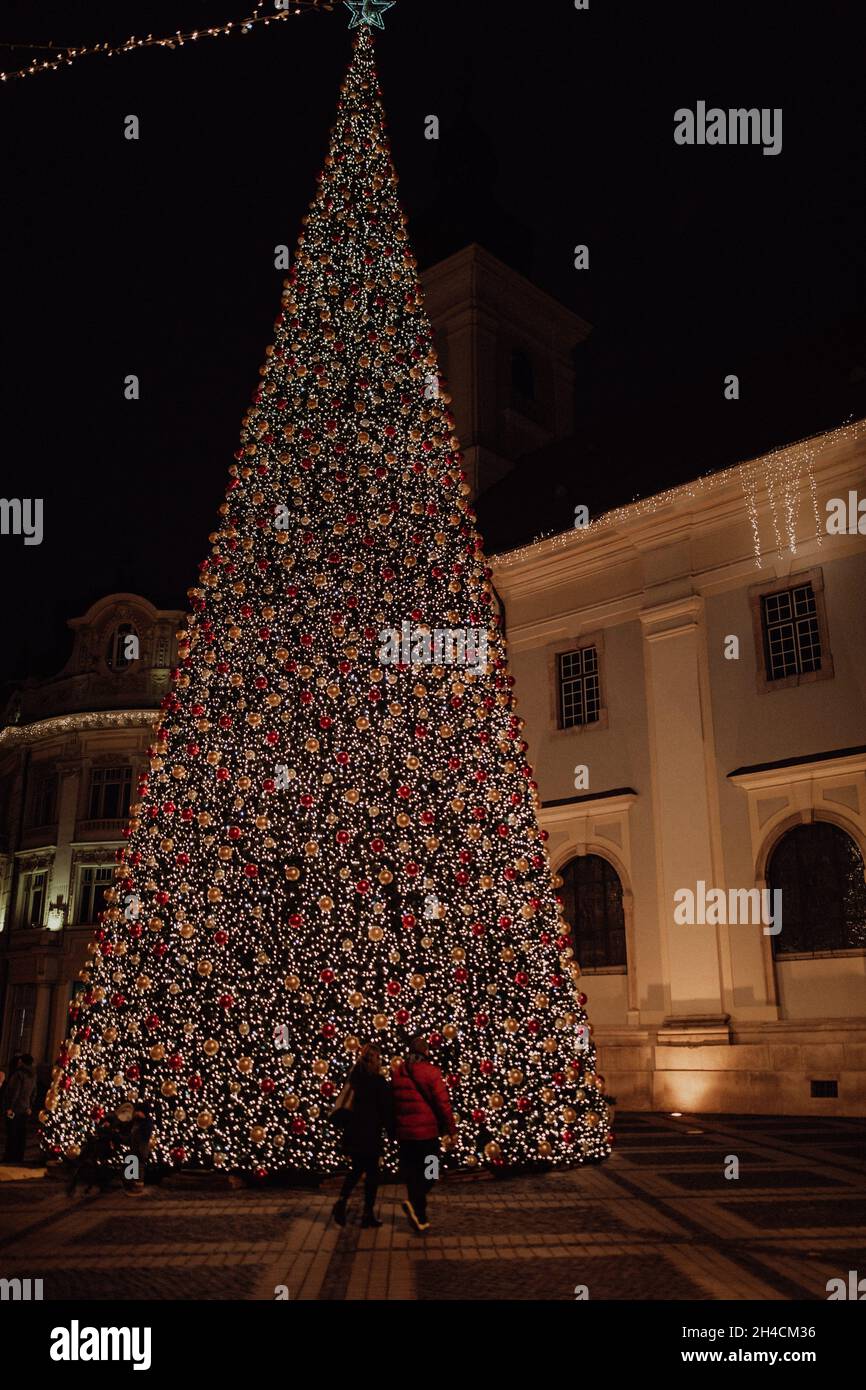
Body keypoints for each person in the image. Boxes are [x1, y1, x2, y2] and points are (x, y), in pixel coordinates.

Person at [391, 1035, 457, 1233]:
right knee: (432, 1171)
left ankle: (420, 1218)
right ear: (426, 1052)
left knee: (412, 1175)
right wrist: (451, 1129)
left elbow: (394, 1104)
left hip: (406, 1135)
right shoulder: (431, 1072)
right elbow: (443, 1104)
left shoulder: (398, 1073)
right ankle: (415, 1206)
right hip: (427, 1134)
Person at [332, 1044, 394, 1229]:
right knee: (372, 1174)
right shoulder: (378, 1082)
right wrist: (392, 1132)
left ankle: (342, 1202)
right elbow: (386, 1110)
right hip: (370, 1133)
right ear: (375, 1059)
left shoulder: (354, 1077)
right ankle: (367, 1213)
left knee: (356, 1170)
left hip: (354, 1133)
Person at [3, 1053, 36, 1164]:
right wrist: (30, 1106)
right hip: (25, 1108)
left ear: (21, 1062)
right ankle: (18, 1156)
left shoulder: (18, 1074)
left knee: (12, 1133)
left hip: (16, 1108)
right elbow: (34, 1093)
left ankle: (10, 1156)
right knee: (21, 1134)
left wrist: (9, 1107)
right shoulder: (32, 1075)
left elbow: (14, 1091)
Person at [124, 1102, 154, 1196]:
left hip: (141, 1149)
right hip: (134, 1148)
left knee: (139, 1166)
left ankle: (138, 1187)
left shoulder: (147, 1122)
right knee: (132, 1164)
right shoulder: (136, 1122)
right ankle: (131, 1185)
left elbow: (146, 1135)